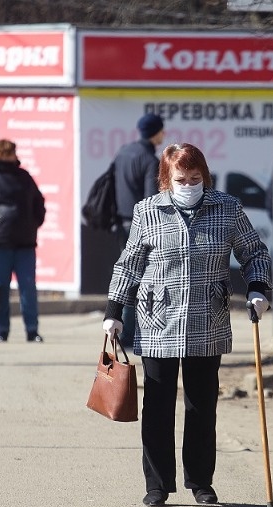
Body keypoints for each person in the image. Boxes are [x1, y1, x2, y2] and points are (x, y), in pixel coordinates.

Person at [102, 143, 272, 507]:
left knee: (201, 405)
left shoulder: (226, 208)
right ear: (166, 179)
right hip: (157, 319)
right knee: (158, 405)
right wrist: (114, 311)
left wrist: (258, 288)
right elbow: (128, 265)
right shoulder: (147, 211)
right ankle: (158, 483)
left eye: (196, 178)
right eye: (181, 179)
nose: (189, 185)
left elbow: (254, 252)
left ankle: (201, 482)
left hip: (206, 319)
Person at [0, 139, 47, 343]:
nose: (12, 156)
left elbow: (39, 202)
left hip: (25, 243)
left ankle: (32, 329)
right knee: (0, 288)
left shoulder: (24, 177)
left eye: (13, 152)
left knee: (28, 287)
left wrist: (34, 222)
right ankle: (2, 330)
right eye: (7, 152)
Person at [112, 112, 166, 347]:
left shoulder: (123, 152)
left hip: (121, 222)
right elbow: (150, 202)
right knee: (141, 280)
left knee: (126, 275)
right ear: (156, 132)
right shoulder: (149, 159)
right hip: (140, 227)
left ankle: (123, 329)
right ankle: (130, 333)